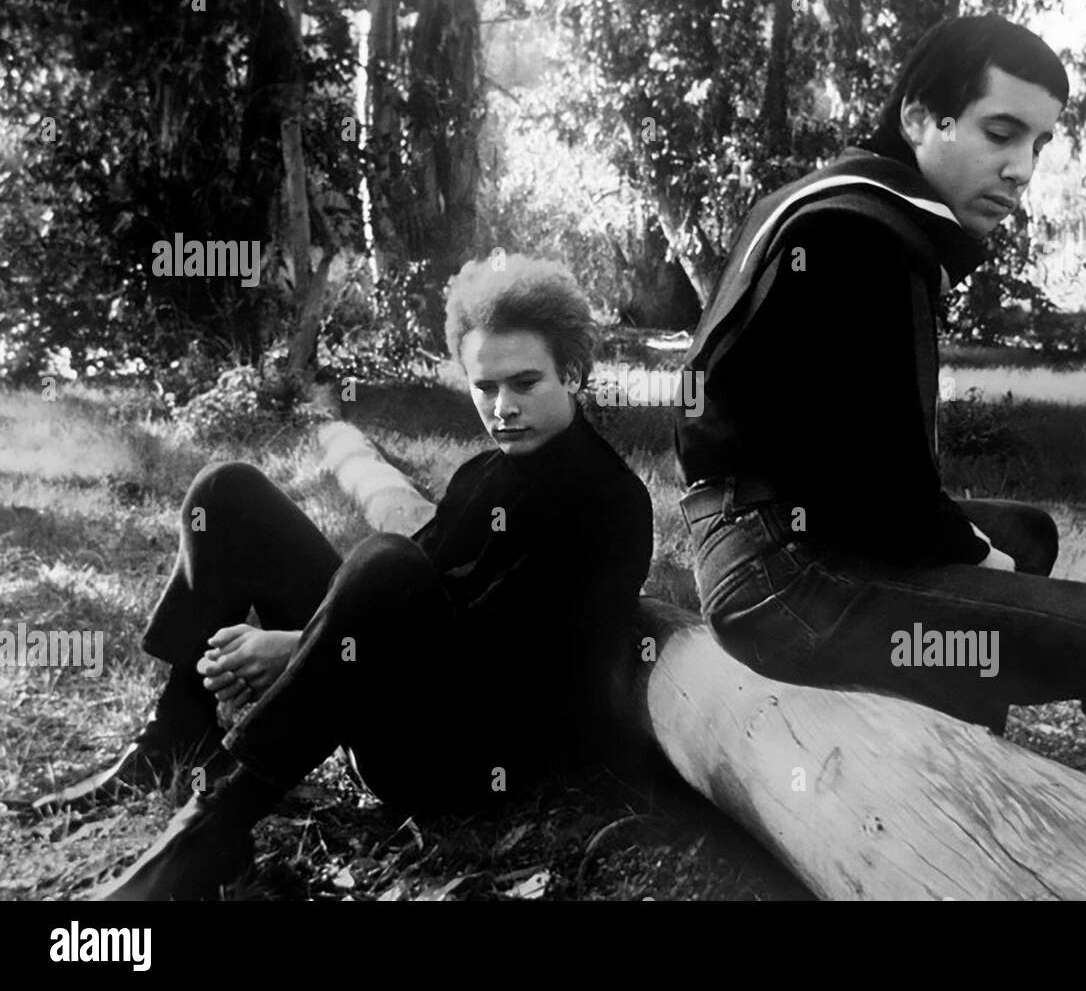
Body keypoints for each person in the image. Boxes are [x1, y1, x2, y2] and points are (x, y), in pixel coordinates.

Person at [674, 14, 1086, 868]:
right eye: (1001, 133)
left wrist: (985, 549)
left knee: (1027, 532)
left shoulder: (832, 203)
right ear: (922, 118)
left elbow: (839, 459)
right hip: (786, 585)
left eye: (1040, 143)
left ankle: (952, 738)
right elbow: (881, 494)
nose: (1023, 169)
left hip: (772, 541)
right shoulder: (859, 235)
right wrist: (972, 556)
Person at [38, 253, 654, 900]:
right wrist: (318, 639)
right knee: (228, 493)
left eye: (524, 383)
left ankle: (216, 825)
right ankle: (169, 738)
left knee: (384, 562)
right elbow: (418, 588)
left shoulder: (608, 502)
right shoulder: (487, 473)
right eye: (484, 386)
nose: (501, 408)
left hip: (460, 759)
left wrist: (298, 649)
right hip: (393, 690)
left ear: (575, 373)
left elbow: (494, 657)